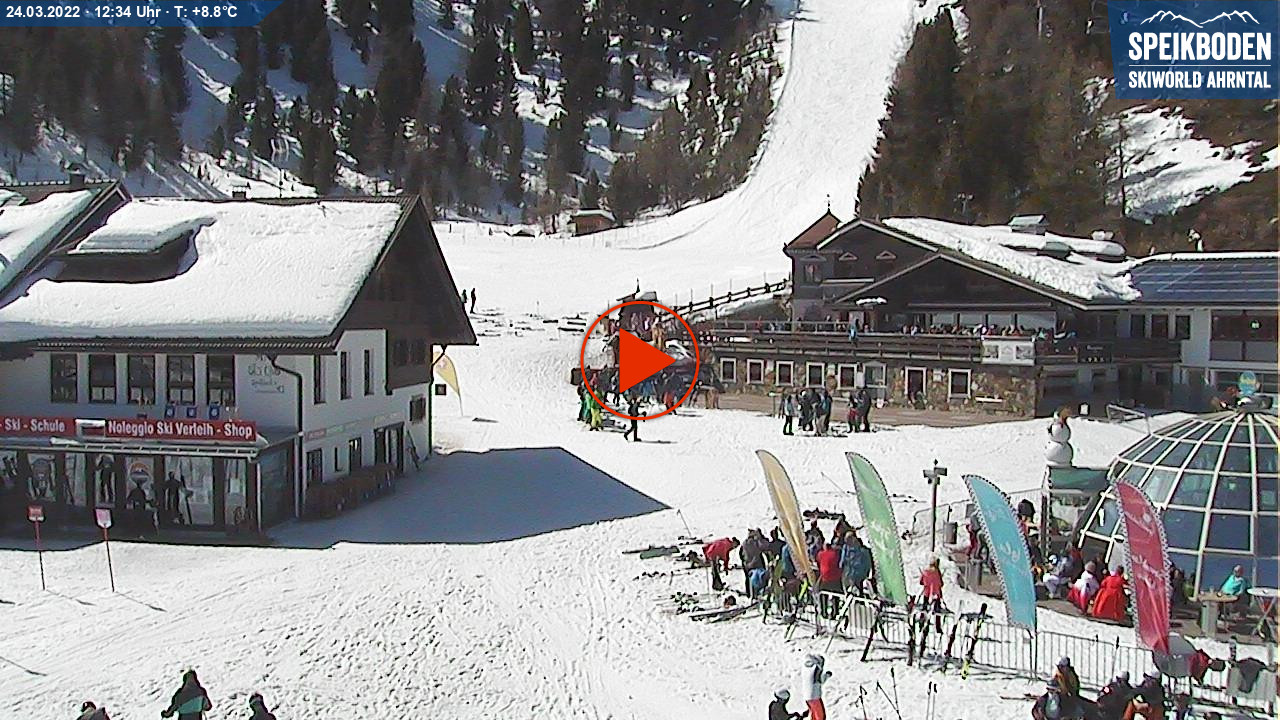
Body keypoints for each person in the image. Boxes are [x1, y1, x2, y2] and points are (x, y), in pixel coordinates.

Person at [800, 653, 831, 720]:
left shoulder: (806, 667)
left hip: (807, 696)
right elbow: (819, 680)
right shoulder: (817, 669)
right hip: (815, 696)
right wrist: (827, 675)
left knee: (814, 716)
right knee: (820, 717)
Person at [816, 542, 842, 618]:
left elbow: (818, 561)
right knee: (836, 596)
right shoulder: (836, 554)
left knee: (823, 595)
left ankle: (824, 612)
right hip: (836, 578)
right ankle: (835, 612)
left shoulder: (821, 554)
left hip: (825, 578)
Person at [741, 530, 766, 597]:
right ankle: (757, 593)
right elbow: (757, 554)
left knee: (749, 579)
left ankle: (749, 593)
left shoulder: (744, 543)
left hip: (748, 564)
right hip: (756, 564)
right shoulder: (754, 543)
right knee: (758, 578)